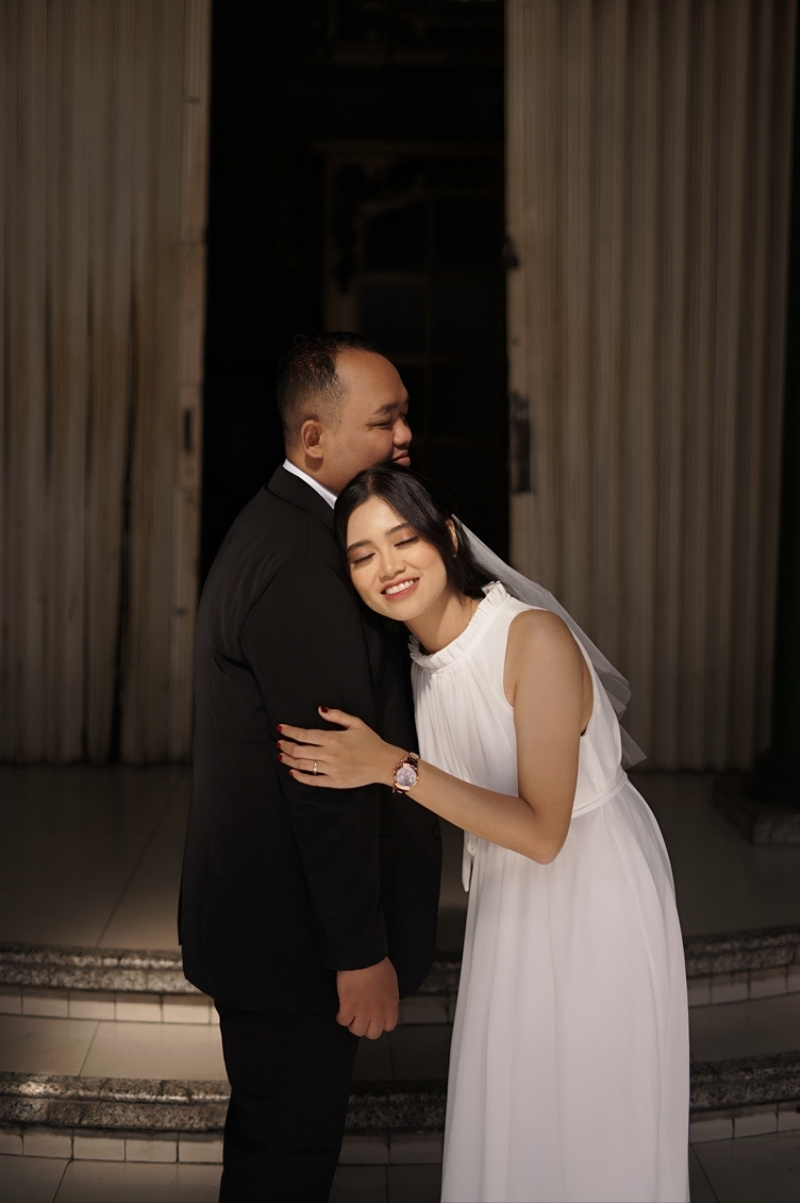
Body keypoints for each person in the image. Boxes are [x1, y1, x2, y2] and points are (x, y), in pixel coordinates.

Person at [277, 465, 691, 1203]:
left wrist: (390, 766)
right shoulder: (417, 663)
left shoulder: (532, 639)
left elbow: (543, 832)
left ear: (448, 536)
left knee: (592, 1111)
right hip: (509, 896)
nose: (388, 566)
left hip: (592, 891)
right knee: (517, 1105)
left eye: (403, 540)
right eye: (363, 555)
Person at [179, 334, 442, 1202]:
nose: (405, 435)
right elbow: (324, 779)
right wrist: (359, 952)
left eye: (405, 416)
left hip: (271, 930)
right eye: (385, 420)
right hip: (293, 943)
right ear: (315, 438)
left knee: (272, 1149)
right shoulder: (301, 564)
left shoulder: (290, 526)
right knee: (285, 1163)